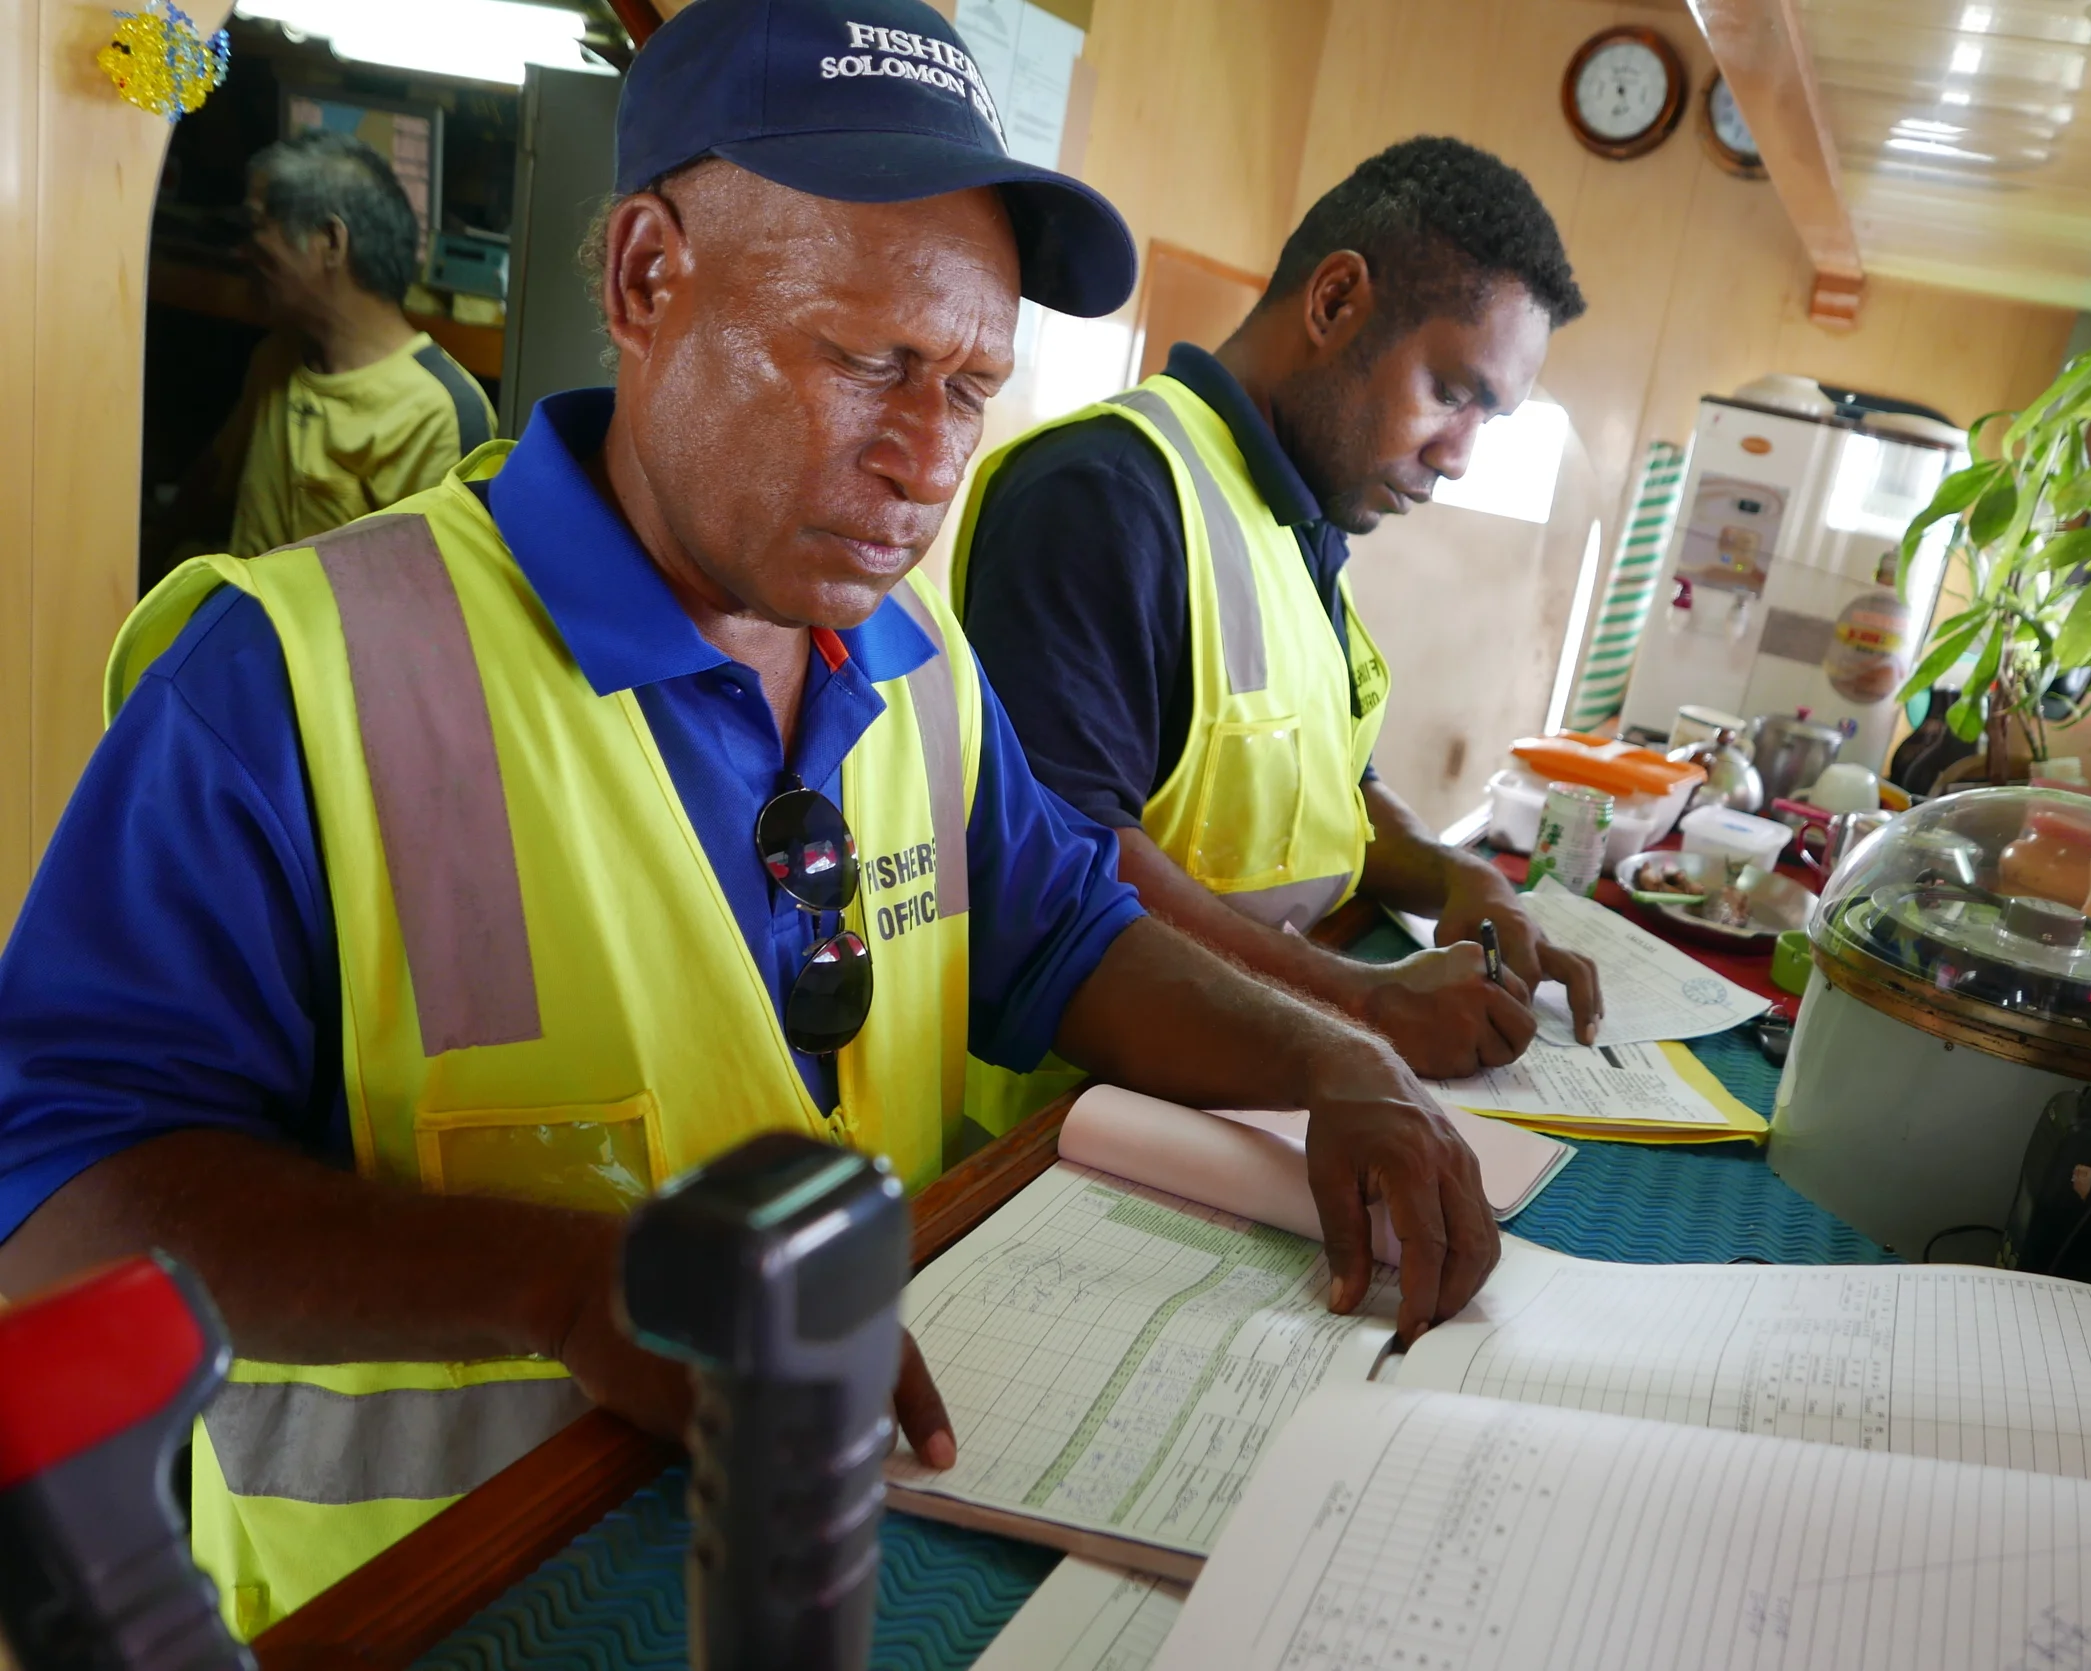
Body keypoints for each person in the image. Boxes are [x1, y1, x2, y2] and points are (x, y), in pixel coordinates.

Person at [0, 0, 1493, 1637]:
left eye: (974, 385)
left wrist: (1335, 1052)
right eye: (870, 362)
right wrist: (569, 1285)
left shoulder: (919, 661)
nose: (929, 459)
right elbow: (63, 1204)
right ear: (649, 278)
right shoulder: (292, 681)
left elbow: (1069, 933)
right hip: (466, 1589)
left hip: (853, 1523)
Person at [954, 138, 1601, 1114]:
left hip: (1242, 1082)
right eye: (1450, 393)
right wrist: (1363, 1005)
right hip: (1075, 1130)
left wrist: (1458, 879)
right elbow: (1064, 865)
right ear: (1335, 301)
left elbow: (1326, 797)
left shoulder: (1290, 512)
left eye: (1488, 420)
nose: (1459, 456)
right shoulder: (1102, 497)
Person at [141, 131, 494, 590]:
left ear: (329, 240)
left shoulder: (437, 413)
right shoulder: (277, 359)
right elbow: (213, 481)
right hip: (244, 644)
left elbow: (437, 609)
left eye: (256, 227)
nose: (241, 251)